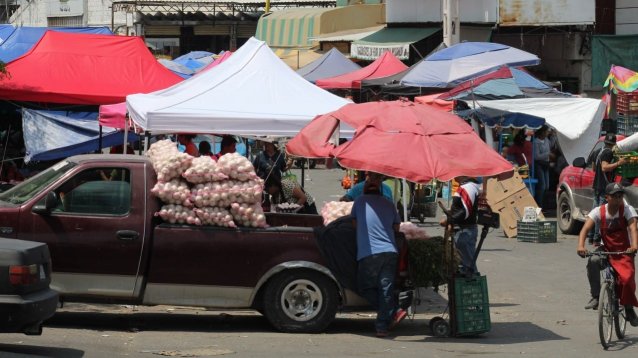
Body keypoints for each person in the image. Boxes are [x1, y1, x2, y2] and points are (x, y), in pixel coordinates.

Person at [350, 171, 406, 337]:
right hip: (390, 252)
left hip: (370, 254)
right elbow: (397, 227)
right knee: (385, 289)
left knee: (364, 287)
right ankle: (382, 325)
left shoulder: (359, 202)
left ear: (365, 190)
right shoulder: (389, 204)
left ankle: (393, 311)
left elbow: (354, 225)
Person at [577, 182, 638, 326]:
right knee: (593, 261)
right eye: (615, 196)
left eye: (620, 196)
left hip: (624, 251)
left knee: (627, 278)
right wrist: (580, 246)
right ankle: (596, 296)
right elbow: (585, 229)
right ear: (607, 197)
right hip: (607, 250)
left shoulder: (627, 210)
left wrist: (634, 245)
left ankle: (628, 307)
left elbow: (633, 227)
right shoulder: (598, 211)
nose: (618, 199)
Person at [588, 133, 627, 245]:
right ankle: (596, 238)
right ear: (614, 144)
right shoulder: (608, 152)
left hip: (597, 185)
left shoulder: (598, 151)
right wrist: (619, 163)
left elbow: (594, 168)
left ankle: (591, 237)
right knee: (600, 213)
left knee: (594, 212)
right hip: (604, 186)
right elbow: (604, 167)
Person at [439, 176, 481, 274]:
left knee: (468, 267)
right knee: (463, 265)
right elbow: (461, 208)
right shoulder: (465, 186)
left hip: (465, 231)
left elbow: (465, 211)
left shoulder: (467, 187)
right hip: (462, 230)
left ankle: (472, 286)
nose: (453, 176)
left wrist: (448, 220)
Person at [533, 126, 553, 209]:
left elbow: (552, 145)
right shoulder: (536, 142)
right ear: (542, 132)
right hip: (539, 164)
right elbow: (537, 156)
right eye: (546, 131)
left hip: (546, 164)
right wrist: (548, 154)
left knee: (547, 186)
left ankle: (544, 205)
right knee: (542, 186)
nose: (548, 133)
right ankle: (539, 205)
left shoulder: (547, 140)